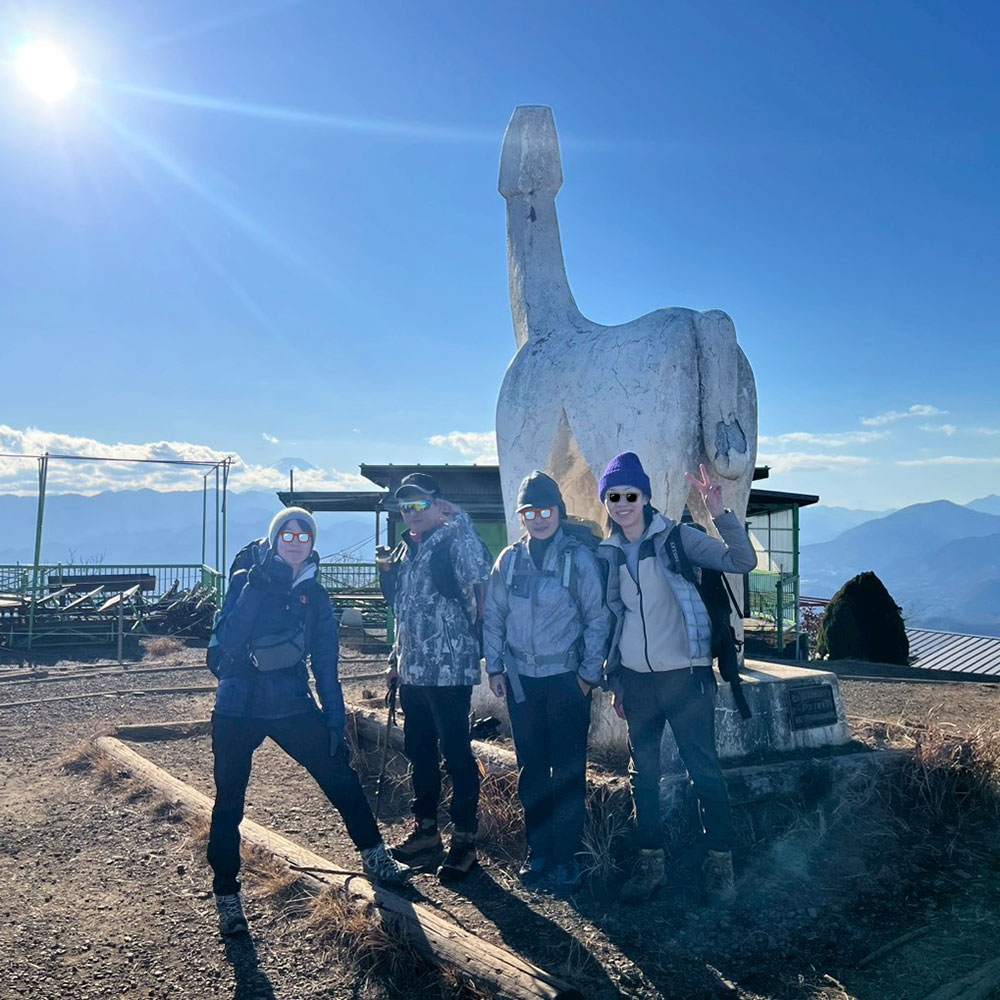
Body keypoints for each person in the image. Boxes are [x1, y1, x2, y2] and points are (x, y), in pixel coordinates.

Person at [207, 507, 408, 936]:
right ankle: (227, 895)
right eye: (288, 535)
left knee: (339, 774)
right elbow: (229, 639)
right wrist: (257, 590)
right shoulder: (246, 580)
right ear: (275, 538)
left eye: (304, 537)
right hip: (237, 704)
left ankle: (375, 856)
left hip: (291, 702)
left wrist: (335, 720)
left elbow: (326, 663)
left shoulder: (314, 596)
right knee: (229, 802)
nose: (295, 543)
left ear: (312, 544)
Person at [596, 453, 757, 905]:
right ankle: (651, 865)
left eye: (631, 494)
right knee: (643, 776)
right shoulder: (608, 554)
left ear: (645, 497)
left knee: (703, 770)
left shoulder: (678, 539)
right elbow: (613, 619)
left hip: (686, 680)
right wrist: (616, 682)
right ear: (605, 501)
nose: (623, 503)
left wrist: (718, 512)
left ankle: (719, 864)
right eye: (614, 496)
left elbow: (741, 561)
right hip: (638, 684)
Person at [483, 471, 609, 891]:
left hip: (566, 682)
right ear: (521, 516)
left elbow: (597, 618)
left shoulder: (577, 559)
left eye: (545, 510)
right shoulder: (509, 560)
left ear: (558, 511)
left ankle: (566, 857)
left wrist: (589, 676)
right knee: (532, 770)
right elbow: (495, 615)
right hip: (522, 684)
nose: (538, 518)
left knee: (568, 771)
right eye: (529, 511)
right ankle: (537, 852)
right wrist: (495, 667)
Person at [378, 473, 492, 883]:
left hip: (449, 669)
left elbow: (479, 567)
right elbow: (404, 615)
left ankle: (465, 841)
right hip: (414, 672)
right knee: (420, 752)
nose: (412, 512)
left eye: (420, 504)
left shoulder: (454, 541)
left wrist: (460, 520)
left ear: (437, 505)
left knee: (457, 754)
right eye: (406, 506)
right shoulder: (408, 550)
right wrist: (395, 660)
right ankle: (426, 832)